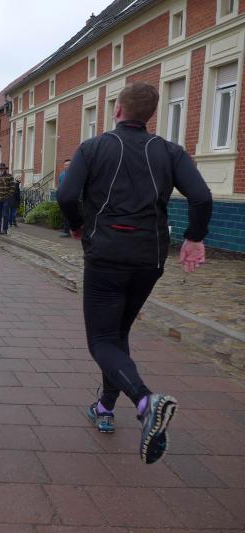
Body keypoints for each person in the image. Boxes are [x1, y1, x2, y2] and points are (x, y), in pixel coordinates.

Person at [57, 81, 212, 464]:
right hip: (148, 258)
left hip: (106, 254)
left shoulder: (94, 147)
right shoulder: (170, 152)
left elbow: (66, 194)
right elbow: (201, 197)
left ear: (117, 110)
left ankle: (146, 402)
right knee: (117, 334)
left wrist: (77, 225)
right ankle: (105, 408)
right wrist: (194, 239)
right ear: (150, 115)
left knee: (102, 340)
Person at [56, 159, 72, 237]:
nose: (67, 166)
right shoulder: (62, 175)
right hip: (63, 197)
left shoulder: (75, 174)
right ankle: (66, 230)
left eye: (68, 165)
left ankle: (71, 231)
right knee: (65, 214)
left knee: (71, 215)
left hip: (72, 198)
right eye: (65, 165)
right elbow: (59, 186)